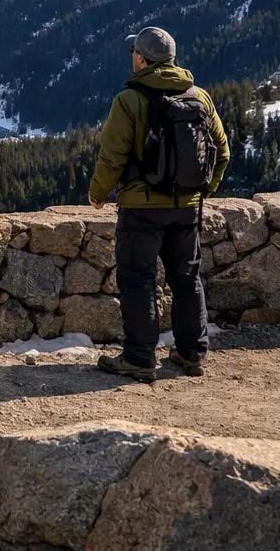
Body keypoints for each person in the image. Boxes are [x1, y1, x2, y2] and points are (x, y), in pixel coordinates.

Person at [88, 26, 229, 383]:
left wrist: (98, 194)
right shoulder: (199, 96)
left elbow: (112, 155)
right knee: (186, 279)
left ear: (141, 58)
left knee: (139, 280)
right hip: (187, 207)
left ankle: (139, 358)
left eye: (134, 51)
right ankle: (191, 353)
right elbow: (222, 151)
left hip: (142, 208)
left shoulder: (130, 100)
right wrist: (202, 191)